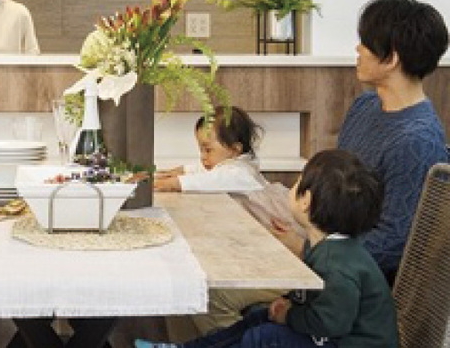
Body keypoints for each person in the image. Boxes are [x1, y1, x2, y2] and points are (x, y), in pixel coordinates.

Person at [193, 0, 449, 334]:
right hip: (317, 244)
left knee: (210, 294)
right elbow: (332, 187)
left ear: (391, 59)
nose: (357, 49)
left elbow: (393, 244)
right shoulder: (366, 106)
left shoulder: (417, 141)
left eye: (365, 43)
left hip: (345, 277)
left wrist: (304, 248)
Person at [136, 149, 399, 348]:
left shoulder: (338, 264)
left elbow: (331, 322)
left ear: (306, 200)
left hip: (343, 342)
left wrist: (290, 316)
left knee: (264, 336)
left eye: (298, 182)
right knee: (260, 317)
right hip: (330, 337)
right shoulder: (331, 249)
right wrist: (289, 305)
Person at [155, 107, 266, 193]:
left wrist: (174, 183)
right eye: (201, 150)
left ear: (234, 150)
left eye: (208, 150)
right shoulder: (226, 166)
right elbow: (202, 171)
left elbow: (211, 179)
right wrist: (178, 172)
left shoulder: (240, 174)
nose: (203, 157)